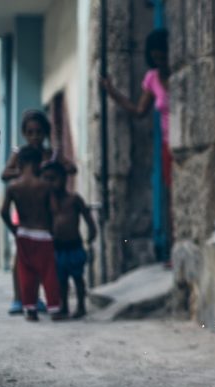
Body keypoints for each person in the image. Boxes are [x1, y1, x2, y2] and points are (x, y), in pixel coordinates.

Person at [101, 28, 172, 261]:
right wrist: (113, 93)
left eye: (163, 56)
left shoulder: (178, 73)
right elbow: (139, 110)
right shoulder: (152, 78)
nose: (160, 61)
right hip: (166, 144)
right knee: (171, 196)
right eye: (156, 58)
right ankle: (171, 249)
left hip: (180, 139)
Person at [2, 110, 75, 314]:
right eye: (30, 132)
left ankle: (46, 299)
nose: (35, 136)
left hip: (48, 211)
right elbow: (4, 173)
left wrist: (55, 169)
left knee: (48, 258)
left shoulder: (51, 154)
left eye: (39, 132)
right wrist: (26, 173)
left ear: (46, 133)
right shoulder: (21, 154)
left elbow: (71, 167)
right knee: (22, 255)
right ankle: (20, 299)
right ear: (24, 133)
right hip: (27, 208)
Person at [0, 147, 63, 321]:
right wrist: (53, 231)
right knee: (49, 273)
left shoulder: (14, 187)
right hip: (43, 233)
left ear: (19, 163)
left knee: (26, 273)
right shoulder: (45, 186)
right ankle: (54, 308)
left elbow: (4, 212)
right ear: (38, 164)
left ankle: (30, 309)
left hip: (23, 233)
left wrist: (14, 229)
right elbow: (55, 210)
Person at [41, 161, 97, 319]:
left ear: (64, 179)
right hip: (57, 247)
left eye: (53, 178)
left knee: (78, 277)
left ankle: (81, 305)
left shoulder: (74, 199)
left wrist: (92, 232)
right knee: (61, 280)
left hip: (74, 245)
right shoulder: (48, 202)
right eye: (46, 179)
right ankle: (63, 306)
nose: (50, 183)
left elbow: (87, 216)